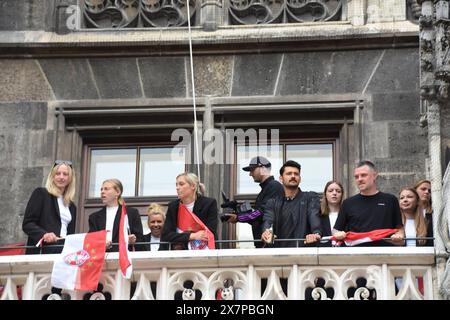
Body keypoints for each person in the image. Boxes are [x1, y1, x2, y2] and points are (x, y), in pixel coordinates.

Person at [333, 160, 404, 246]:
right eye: (356, 177)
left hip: (385, 253)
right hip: (357, 255)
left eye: (363, 175)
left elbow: (399, 227)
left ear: (374, 175)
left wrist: (400, 235)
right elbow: (336, 230)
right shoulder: (348, 203)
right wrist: (338, 234)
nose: (359, 179)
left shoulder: (390, 200)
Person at [226, 156, 284, 248]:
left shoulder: (274, 186)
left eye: (252, 170)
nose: (250, 174)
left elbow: (261, 213)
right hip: (264, 243)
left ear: (263, 168)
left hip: (271, 244)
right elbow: (256, 219)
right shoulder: (266, 189)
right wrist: (236, 209)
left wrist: (238, 218)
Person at [261, 160, 322, 247]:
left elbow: (314, 216)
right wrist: (267, 233)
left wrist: (316, 233)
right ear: (281, 179)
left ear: (300, 179)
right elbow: (268, 221)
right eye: (289, 173)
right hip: (279, 255)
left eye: (296, 174)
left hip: (304, 254)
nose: (293, 176)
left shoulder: (310, 197)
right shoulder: (272, 203)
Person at [22, 160, 77, 254]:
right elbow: (27, 224)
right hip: (44, 251)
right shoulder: (41, 194)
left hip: (64, 251)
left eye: (65, 174)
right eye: (58, 173)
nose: (61, 177)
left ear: (70, 178)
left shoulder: (72, 206)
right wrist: (44, 234)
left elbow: (70, 234)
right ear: (52, 176)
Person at [161, 172, 218, 250]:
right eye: (176, 185)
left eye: (181, 184)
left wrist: (179, 236)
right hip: (180, 253)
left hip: (205, 252)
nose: (177, 188)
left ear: (193, 186)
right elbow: (166, 235)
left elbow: (209, 232)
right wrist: (192, 236)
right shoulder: (173, 206)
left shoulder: (209, 204)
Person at [88, 179, 144, 252]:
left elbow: (140, 239)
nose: (102, 192)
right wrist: (102, 244)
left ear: (117, 192)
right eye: (101, 189)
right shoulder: (94, 217)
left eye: (106, 189)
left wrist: (132, 240)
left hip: (124, 257)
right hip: (102, 258)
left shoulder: (130, 213)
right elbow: (91, 241)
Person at [319, 181, 344, 245]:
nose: (334, 193)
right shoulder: (318, 215)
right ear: (325, 195)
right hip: (323, 252)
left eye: (338, 191)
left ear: (342, 195)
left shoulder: (347, 214)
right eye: (330, 191)